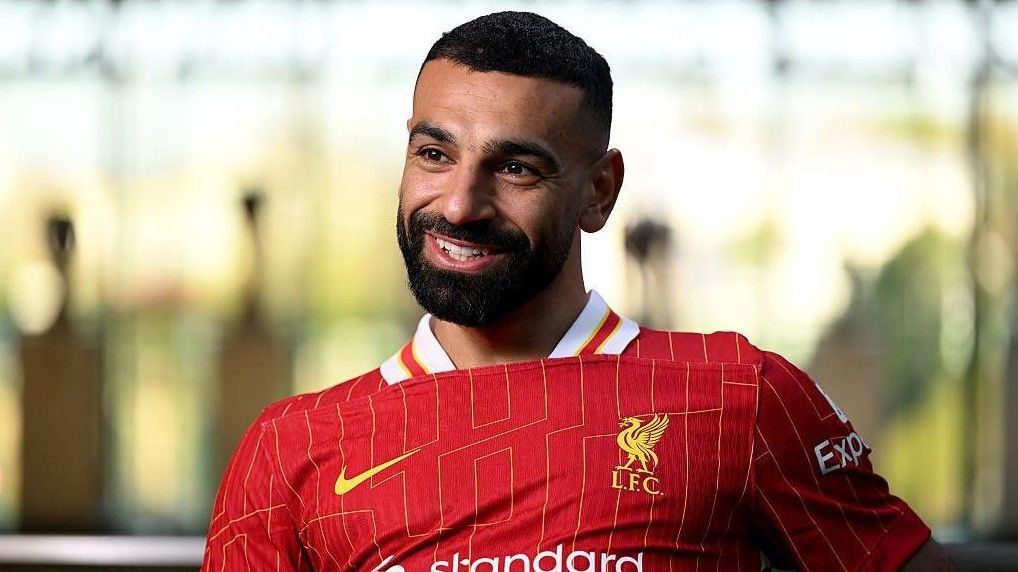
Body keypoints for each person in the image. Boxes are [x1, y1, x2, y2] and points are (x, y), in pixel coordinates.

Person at [202, 11, 953, 571]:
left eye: (515, 169)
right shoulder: (291, 450)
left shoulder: (738, 396)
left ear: (600, 191)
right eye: (434, 154)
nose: (460, 204)